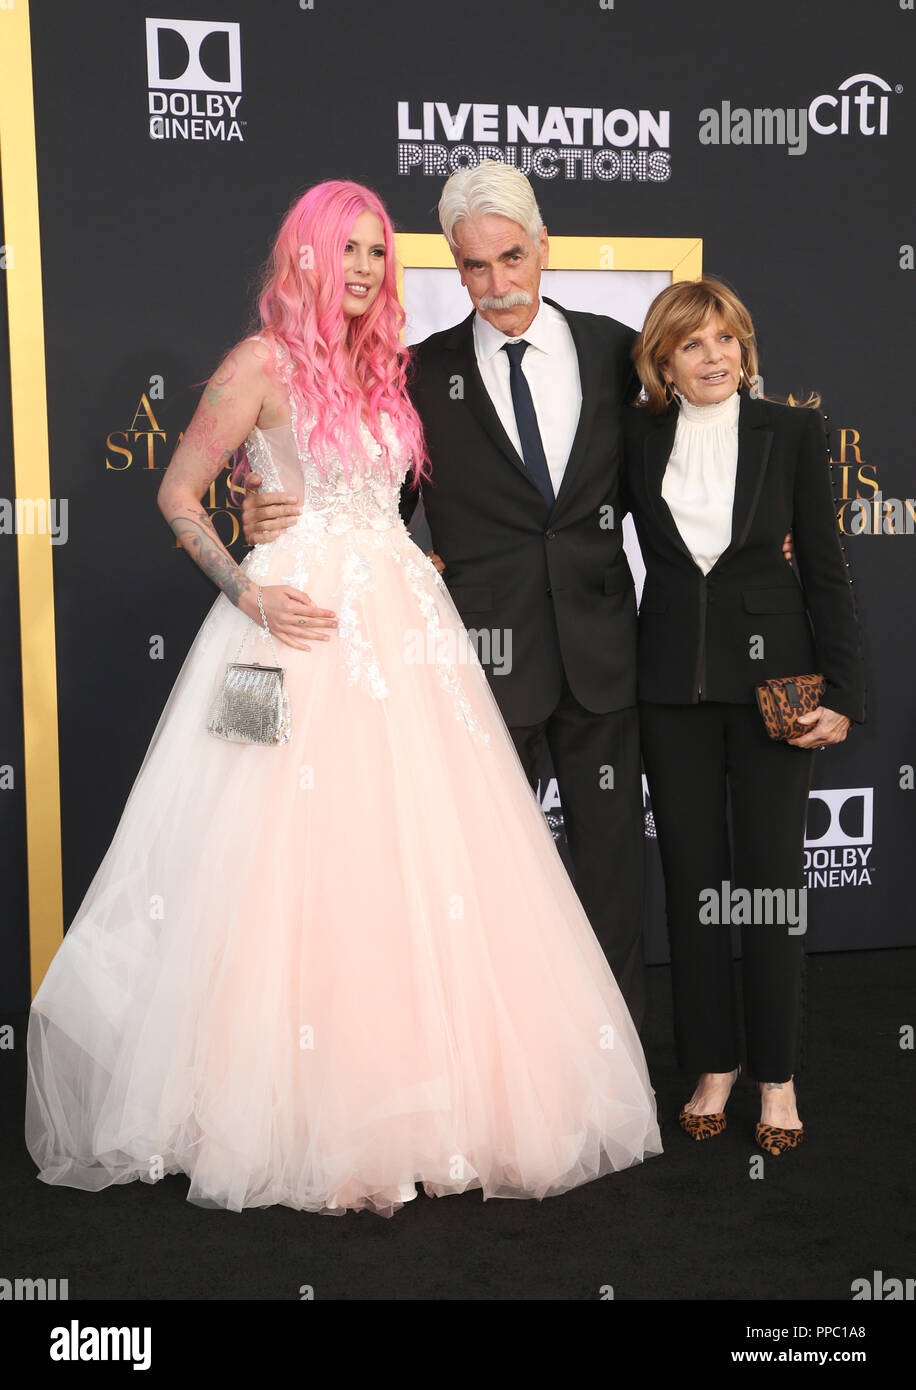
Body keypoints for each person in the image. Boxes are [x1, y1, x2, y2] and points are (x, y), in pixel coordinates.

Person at [24, 180, 661, 1218]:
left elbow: (415, 499)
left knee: (405, 861)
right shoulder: (258, 364)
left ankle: (419, 1101)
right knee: (256, 858)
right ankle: (265, 1104)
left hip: (406, 632)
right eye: (347, 249)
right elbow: (177, 492)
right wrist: (247, 581)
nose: (364, 268)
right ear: (305, 256)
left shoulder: (389, 371)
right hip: (284, 637)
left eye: (378, 251)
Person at [242, 160, 649, 1032]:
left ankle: (612, 1066)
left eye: (512, 257)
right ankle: (500, 1059)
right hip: (477, 666)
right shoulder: (413, 375)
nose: (498, 284)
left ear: (544, 247)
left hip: (604, 653)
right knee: (484, 882)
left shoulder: (618, 350)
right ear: (452, 269)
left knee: (614, 870)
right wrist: (268, 506)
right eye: (474, 267)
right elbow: (369, 509)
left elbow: (667, 479)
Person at [623, 276, 866, 1155]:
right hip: (672, 690)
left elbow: (826, 567)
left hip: (779, 691)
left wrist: (844, 692)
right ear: (664, 362)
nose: (715, 355)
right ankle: (713, 1065)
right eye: (693, 343)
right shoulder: (637, 436)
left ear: (746, 349)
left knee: (768, 887)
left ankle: (777, 1077)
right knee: (693, 886)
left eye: (727, 339)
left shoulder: (793, 432)